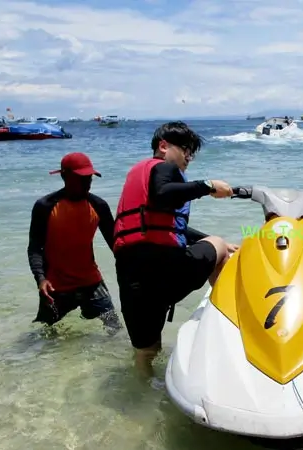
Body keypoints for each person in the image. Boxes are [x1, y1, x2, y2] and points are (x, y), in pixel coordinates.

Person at [113, 121, 238, 383]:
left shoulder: (139, 174)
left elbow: (172, 227)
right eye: (186, 150)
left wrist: (207, 239)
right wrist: (207, 186)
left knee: (147, 351)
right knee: (220, 246)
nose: (189, 157)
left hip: (131, 274)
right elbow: (163, 194)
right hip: (162, 268)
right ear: (163, 146)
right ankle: (229, 331)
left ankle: (143, 398)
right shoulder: (163, 168)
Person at [27, 152, 123, 335]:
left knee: (114, 330)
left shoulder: (98, 205)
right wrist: (41, 279)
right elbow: (34, 248)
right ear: (65, 176)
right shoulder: (45, 206)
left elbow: (116, 244)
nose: (87, 183)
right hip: (55, 286)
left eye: (89, 178)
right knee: (43, 336)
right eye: (81, 178)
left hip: (91, 282)